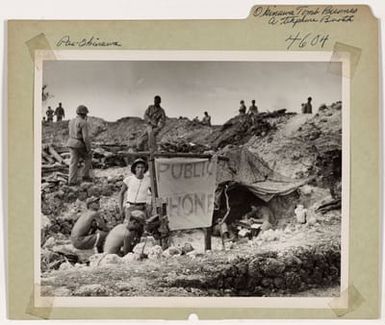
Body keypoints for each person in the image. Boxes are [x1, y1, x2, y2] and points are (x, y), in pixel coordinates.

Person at [66, 105, 92, 185]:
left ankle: (72, 181)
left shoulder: (71, 121)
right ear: (84, 114)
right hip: (79, 144)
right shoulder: (83, 122)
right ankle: (85, 176)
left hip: (71, 143)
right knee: (88, 157)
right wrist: (89, 149)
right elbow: (85, 138)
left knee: (73, 162)